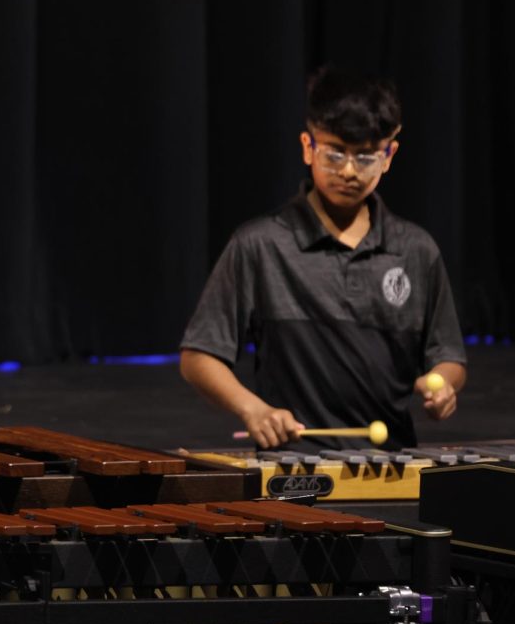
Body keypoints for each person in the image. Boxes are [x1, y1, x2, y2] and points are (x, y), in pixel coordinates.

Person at [180, 66, 466, 450]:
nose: (348, 171)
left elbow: (447, 356)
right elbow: (199, 356)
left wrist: (444, 385)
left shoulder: (416, 250)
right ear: (307, 146)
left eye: (365, 157)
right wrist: (253, 409)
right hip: (291, 471)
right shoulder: (261, 245)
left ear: (389, 154)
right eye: (335, 154)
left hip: (392, 467)